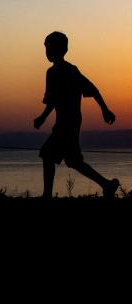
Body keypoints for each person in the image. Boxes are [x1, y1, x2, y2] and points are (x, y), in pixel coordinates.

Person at [33, 31, 120, 199]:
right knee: (73, 161)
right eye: (46, 48)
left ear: (61, 49)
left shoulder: (69, 71)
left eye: (50, 48)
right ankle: (107, 184)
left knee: (47, 154)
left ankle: (47, 195)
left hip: (69, 122)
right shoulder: (51, 73)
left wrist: (105, 109)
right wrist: (42, 117)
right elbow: (53, 100)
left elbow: (92, 89)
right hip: (66, 122)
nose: (47, 52)